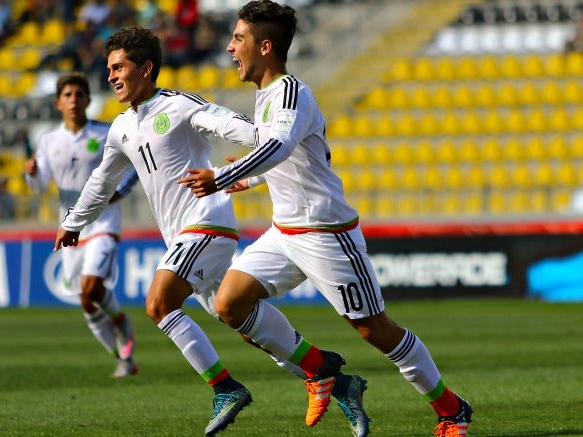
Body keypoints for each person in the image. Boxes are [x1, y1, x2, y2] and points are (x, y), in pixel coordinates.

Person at [53, 26, 368, 436]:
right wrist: (73, 222)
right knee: (240, 319)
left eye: (119, 67)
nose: (111, 76)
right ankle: (330, 374)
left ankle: (225, 389)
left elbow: (238, 127)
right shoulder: (120, 128)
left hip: (207, 223)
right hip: (184, 235)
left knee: (159, 304)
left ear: (146, 68)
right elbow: (101, 182)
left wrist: (259, 149)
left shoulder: (180, 105)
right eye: (109, 69)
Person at [177, 2, 473, 436]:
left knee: (375, 330)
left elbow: (278, 147)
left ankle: (451, 410)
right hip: (285, 232)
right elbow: (297, 159)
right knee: (229, 303)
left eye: (238, 39)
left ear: (265, 45)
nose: (229, 48)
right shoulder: (267, 98)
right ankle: (321, 369)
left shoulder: (293, 93)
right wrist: (251, 179)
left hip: (327, 233)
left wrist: (223, 176)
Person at [26, 72, 139, 378]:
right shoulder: (48, 140)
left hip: (102, 220)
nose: (74, 100)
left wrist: (120, 191)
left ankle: (121, 323)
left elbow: (133, 167)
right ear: (57, 103)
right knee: (86, 300)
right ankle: (122, 357)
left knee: (91, 286)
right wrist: (33, 174)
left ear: (88, 100)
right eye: (68, 95)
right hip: (70, 224)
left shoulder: (106, 133)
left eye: (79, 94)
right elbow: (40, 187)